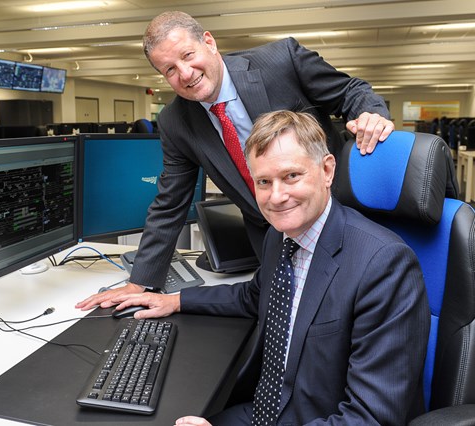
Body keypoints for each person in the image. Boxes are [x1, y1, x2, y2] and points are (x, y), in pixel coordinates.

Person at [109, 110, 429, 425]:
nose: (277, 196)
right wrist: (175, 301)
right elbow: (254, 295)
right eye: (264, 181)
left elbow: (370, 418)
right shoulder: (281, 236)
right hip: (264, 410)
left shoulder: (384, 264)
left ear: (327, 170)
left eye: (291, 176)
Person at [76, 11, 395, 310]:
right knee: (280, 312)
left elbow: (350, 91)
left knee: (341, 311)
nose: (185, 74)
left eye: (188, 56)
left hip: (334, 212)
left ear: (209, 42)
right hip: (269, 232)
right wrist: (140, 282)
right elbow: (170, 202)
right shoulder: (176, 121)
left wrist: (371, 115)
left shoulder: (281, 61)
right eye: (169, 70)